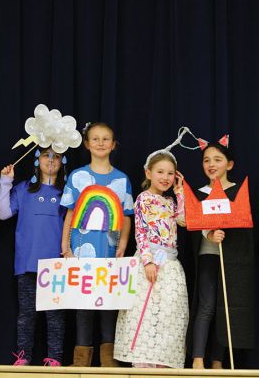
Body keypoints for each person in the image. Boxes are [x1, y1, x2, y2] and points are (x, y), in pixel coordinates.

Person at [60, 122, 134, 367]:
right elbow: (70, 214)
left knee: (108, 305)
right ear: (87, 144)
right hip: (81, 250)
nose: (101, 143)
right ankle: (81, 362)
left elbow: (125, 216)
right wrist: (65, 247)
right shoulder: (77, 176)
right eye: (95, 139)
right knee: (83, 306)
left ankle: (108, 361)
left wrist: (123, 244)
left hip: (109, 251)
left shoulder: (121, 179)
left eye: (106, 139)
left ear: (113, 145)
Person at [114, 151, 189, 368]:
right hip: (149, 263)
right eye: (160, 172)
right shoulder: (143, 199)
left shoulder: (170, 201)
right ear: (149, 173)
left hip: (170, 264)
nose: (165, 177)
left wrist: (180, 193)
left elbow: (183, 221)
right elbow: (141, 233)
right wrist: (147, 261)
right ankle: (143, 364)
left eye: (170, 173)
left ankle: (163, 362)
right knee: (144, 314)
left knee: (169, 313)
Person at [187, 142, 254, 369]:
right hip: (208, 255)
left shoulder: (239, 192)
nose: (211, 164)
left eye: (217, 159)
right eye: (206, 160)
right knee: (206, 305)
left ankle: (218, 360)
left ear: (230, 164)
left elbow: (244, 227)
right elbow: (195, 223)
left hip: (233, 260)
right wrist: (209, 235)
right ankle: (197, 360)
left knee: (226, 307)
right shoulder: (199, 194)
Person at [0, 147, 66, 366]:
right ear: (37, 159)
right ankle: (23, 356)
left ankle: (55, 358)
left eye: (57, 156)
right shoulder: (24, 189)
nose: (51, 159)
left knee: (55, 316)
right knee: (26, 315)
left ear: (63, 162)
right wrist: (5, 183)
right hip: (27, 263)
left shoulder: (67, 193)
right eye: (46, 154)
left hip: (56, 265)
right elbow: (3, 213)